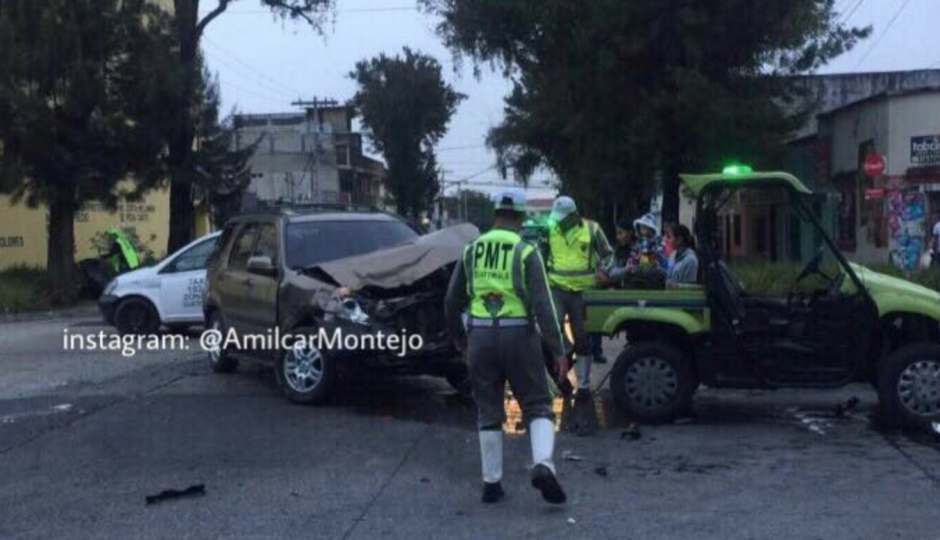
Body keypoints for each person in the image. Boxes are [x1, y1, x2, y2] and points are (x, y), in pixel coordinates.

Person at [444, 188, 569, 505]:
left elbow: (450, 302)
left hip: (480, 337)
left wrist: (461, 341)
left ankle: (492, 483)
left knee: (488, 409)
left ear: (495, 213)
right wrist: (558, 350)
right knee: (537, 404)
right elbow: (544, 307)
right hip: (518, 336)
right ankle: (543, 464)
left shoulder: (471, 250)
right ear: (522, 217)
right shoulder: (526, 251)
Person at [545, 196, 612, 401]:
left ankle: (583, 385)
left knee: (582, 337)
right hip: (556, 288)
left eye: (563, 218)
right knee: (552, 327)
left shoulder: (592, 229)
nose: (559, 222)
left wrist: (603, 271)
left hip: (583, 292)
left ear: (574, 215)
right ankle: (566, 353)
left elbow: (608, 255)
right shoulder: (549, 230)